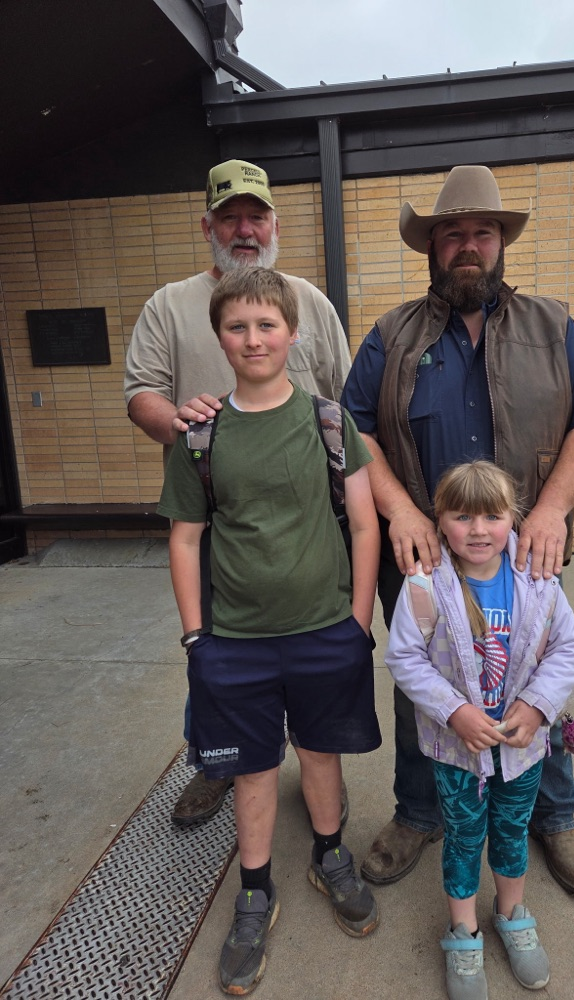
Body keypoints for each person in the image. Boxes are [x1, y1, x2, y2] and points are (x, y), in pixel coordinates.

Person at [341, 164, 574, 895]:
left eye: (483, 232)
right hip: (421, 556)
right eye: (453, 234)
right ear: (432, 247)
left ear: (502, 243)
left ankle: (553, 816)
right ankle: (419, 812)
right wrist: (402, 510)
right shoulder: (390, 335)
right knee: (422, 684)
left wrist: (552, 509)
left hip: (521, 553)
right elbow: (353, 429)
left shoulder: (553, 327)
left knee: (533, 674)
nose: (468, 246)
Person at [157, 268, 381, 996]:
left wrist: (357, 623)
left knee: (320, 752)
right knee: (251, 768)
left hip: (324, 630)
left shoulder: (328, 422)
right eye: (237, 327)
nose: (253, 339)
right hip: (234, 640)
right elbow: (185, 537)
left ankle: (329, 854)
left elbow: (365, 524)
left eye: (266, 325)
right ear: (219, 338)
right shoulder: (200, 435)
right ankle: (254, 888)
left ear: (292, 333)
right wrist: (196, 638)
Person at [125, 159, 352, 826]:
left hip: (307, 523)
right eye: (230, 218)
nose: (245, 229)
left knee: (313, 658)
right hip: (215, 518)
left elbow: (344, 399)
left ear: (275, 225)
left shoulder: (309, 304)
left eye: (256, 217)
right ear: (208, 227)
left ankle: (318, 764)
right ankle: (219, 762)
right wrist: (180, 424)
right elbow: (140, 394)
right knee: (215, 649)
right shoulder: (169, 305)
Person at [386, 461, 574, 998]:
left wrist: (538, 707)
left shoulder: (538, 581)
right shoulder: (425, 587)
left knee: (513, 829)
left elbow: (567, 646)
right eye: (462, 517)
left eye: (492, 516)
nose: (478, 530)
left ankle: (513, 915)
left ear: (512, 518)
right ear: (440, 521)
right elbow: (404, 656)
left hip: (521, 747)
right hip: (456, 750)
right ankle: (463, 930)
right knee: (463, 835)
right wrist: (453, 711)